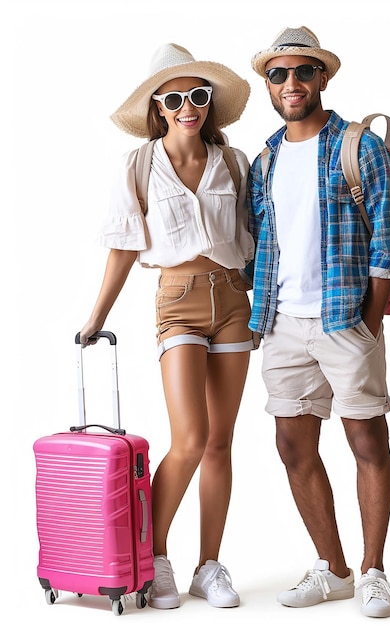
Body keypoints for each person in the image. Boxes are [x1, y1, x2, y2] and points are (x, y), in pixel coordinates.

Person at [79, 43, 255, 610]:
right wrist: (96, 317)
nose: (188, 106)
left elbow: (257, 242)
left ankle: (211, 565)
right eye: (175, 97)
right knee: (190, 438)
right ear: (158, 105)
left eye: (197, 96)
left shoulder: (233, 162)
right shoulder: (138, 164)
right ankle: (155, 558)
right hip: (177, 302)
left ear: (208, 102)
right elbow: (124, 249)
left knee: (221, 442)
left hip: (232, 300)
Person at [246, 26, 390, 618]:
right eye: (279, 74)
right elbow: (265, 245)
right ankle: (332, 568)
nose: (291, 83)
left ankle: (373, 572)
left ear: (322, 78)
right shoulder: (267, 158)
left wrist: (368, 322)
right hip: (283, 324)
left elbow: (386, 240)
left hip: (345, 319)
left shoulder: (359, 146)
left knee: (367, 440)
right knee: (291, 445)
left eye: (302, 72)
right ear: (268, 84)